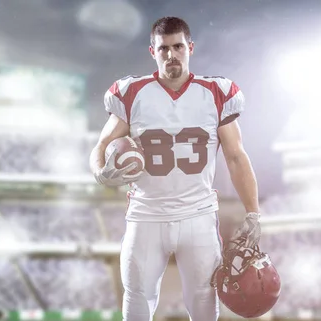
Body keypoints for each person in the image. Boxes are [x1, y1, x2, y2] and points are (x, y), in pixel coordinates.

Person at [89, 16, 262, 321]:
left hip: (197, 215)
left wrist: (253, 212)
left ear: (190, 47)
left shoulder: (216, 93)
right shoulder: (132, 94)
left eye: (178, 46)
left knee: (204, 300)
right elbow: (100, 147)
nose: (171, 55)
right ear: (152, 52)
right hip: (147, 215)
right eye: (163, 48)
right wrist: (99, 170)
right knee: (138, 298)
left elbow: (236, 157)